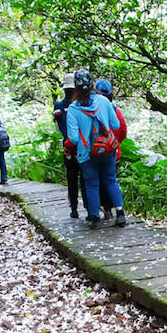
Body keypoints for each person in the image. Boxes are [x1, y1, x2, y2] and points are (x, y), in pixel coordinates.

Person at [65, 70, 127, 229]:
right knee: (110, 180)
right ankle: (120, 213)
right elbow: (115, 125)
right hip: (107, 149)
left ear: (76, 88)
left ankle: (94, 218)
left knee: (91, 184)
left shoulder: (72, 109)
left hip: (86, 153)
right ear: (92, 84)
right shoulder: (104, 102)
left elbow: (73, 138)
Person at [53, 73, 83, 218]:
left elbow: (58, 129)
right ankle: (90, 209)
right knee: (84, 177)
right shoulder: (82, 104)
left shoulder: (59, 106)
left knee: (71, 179)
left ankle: (74, 208)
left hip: (68, 148)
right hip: (83, 147)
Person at [94, 79, 127, 161]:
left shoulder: (89, 110)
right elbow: (123, 131)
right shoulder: (116, 112)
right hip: (112, 151)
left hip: (93, 152)